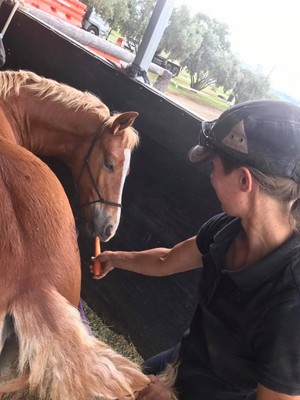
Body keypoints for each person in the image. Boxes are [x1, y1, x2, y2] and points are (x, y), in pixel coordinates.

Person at [92, 99, 300, 400]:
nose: (211, 178)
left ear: (245, 181)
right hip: (187, 362)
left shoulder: (290, 302)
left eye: (213, 167)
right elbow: (166, 259)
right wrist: (114, 259)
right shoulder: (226, 230)